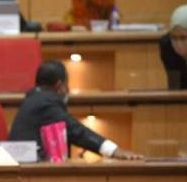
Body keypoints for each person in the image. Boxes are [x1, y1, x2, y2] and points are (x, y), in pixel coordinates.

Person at [9, 60, 142, 160]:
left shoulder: (34, 99)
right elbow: (76, 131)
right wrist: (113, 150)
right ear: (59, 86)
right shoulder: (45, 104)